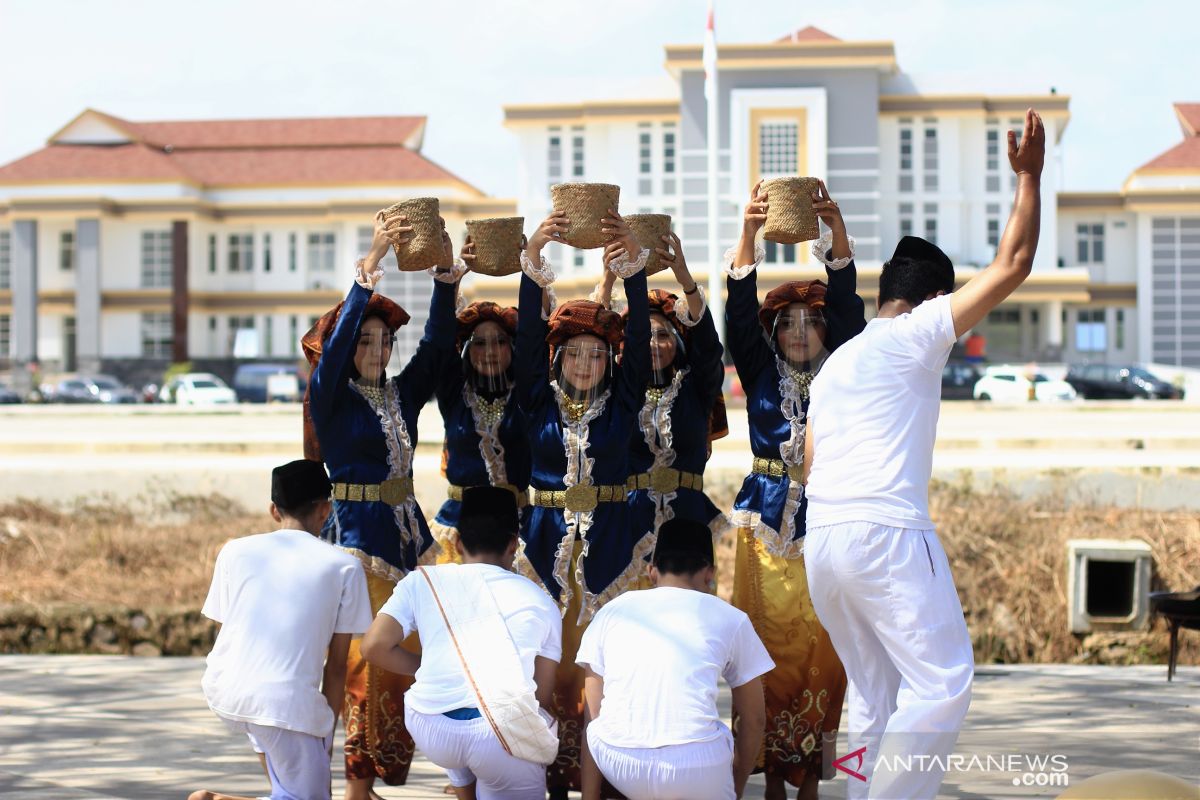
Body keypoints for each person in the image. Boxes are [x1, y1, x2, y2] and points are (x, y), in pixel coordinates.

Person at [802, 109, 1046, 799]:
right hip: (886, 536)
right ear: (934, 299)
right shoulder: (916, 335)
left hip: (825, 541)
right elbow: (1016, 264)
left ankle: (857, 792)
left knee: (873, 697)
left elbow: (811, 466)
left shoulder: (835, 366)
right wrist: (1028, 177)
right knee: (941, 683)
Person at [301, 209, 465, 799]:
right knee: (363, 666)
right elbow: (338, 342)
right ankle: (356, 783)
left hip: (408, 533)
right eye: (364, 340)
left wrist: (447, 280)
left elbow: (439, 347)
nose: (375, 348)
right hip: (356, 539)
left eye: (384, 340)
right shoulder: (331, 398)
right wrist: (370, 265)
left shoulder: (401, 394)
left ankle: (409, 767)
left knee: (420, 649)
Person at [724, 179, 865, 800]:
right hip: (765, 522)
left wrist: (834, 236)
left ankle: (809, 776)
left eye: (813, 323)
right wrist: (750, 234)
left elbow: (853, 312)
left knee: (824, 646)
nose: (801, 332)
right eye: (790, 324)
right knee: (766, 645)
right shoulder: (757, 370)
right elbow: (736, 314)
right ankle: (772, 774)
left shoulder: (844, 370)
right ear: (775, 333)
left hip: (829, 515)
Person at [512, 209, 650, 796]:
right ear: (558, 359)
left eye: (597, 354)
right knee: (547, 671)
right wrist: (533, 259)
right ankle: (547, 780)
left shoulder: (622, 405)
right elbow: (524, 342)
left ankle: (599, 784)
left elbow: (639, 343)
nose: (586, 364)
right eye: (574, 354)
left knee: (602, 674)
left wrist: (635, 274)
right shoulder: (537, 404)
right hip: (545, 552)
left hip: (612, 551)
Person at [361, 486, 562, 800]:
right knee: (509, 729)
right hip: (497, 734)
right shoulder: (539, 600)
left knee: (468, 731)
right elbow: (542, 695)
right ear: (513, 545)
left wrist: (428, 667)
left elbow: (373, 647)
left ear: (456, 542)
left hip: (431, 725)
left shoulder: (422, 581)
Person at [188, 459, 373, 800]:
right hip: (283, 703)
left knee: (289, 788)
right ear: (326, 510)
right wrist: (323, 737)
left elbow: (225, 629)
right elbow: (336, 669)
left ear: (274, 510)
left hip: (226, 687)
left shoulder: (234, 551)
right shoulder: (345, 567)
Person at [576, 517, 775, 800]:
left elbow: (592, 718)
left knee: (603, 728)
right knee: (716, 733)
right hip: (697, 768)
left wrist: (589, 797)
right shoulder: (731, 618)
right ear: (710, 573)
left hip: (619, 764)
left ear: (652, 571)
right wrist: (734, 788)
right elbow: (754, 720)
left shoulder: (612, 611)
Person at [593, 231, 728, 559]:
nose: (653, 343)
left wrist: (685, 279)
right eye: (645, 336)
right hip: (629, 521)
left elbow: (708, 348)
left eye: (663, 335)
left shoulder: (695, 387)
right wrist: (609, 278)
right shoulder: (619, 392)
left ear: (679, 342)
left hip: (688, 519)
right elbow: (593, 338)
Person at [429, 287, 531, 562]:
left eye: (499, 341)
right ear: (465, 349)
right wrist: (448, 281)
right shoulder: (454, 394)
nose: (490, 351)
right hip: (459, 525)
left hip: (520, 529)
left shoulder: (527, 396)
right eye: (479, 343)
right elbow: (438, 339)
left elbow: (535, 336)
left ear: (512, 346)